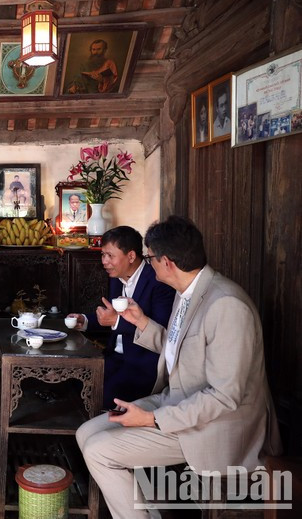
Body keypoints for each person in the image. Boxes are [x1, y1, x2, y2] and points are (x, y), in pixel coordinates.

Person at [75, 216, 281, 518]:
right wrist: (141, 322)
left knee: (99, 451)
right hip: (178, 401)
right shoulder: (187, 293)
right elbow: (178, 348)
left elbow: (225, 397)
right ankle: (143, 510)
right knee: (86, 433)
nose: (148, 265)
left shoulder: (226, 305)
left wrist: (152, 418)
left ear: (167, 262)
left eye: (150, 258)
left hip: (214, 425)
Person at [67, 226, 174, 409]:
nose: (104, 261)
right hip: (114, 357)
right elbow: (111, 317)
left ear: (131, 256)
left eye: (110, 256)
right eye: (103, 255)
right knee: (75, 380)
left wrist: (116, 321)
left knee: (100, 396)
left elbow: (160, 331)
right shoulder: (117, 277)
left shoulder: (158, 281)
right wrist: (85, 321)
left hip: (142, 365)